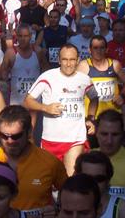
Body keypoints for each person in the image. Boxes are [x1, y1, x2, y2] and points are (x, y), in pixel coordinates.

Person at [0, 105, 67, 215]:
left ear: (29, 132)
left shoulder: (49, 162)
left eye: (15, 136)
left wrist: (57, 209)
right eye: (4, 136)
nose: (9, 141)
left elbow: (71, 195)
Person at [24, 44, 97, 175]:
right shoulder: (47, 77)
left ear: (78, 60)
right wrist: (45, 107)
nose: (68, 64)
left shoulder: (84, 79)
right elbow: (28, 101)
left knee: (71, 179)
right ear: (59, 60)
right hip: (51, 140)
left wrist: (91, 118)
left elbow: (94, 98)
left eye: (72, 60)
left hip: (76, 139)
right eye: (65, 59)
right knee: (51, 182)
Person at [74, 151, 125, 218]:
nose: (93, 183)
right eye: (87, 178)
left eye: (99, 178)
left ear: (108, 181)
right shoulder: (66, 207)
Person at [77, 36, 125, 118]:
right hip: (91, 114)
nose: (98, 51)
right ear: (89, 50)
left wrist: (121, 96)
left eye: (102, 48)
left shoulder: (115, 64)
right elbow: (75, 86)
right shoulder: (84, 66)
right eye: (95, 48)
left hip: (112, 113)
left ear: (106, 49)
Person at [0, 23, 48, 105]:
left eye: (26, 36)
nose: (23, 39)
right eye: (20, 36)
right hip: (16, 101)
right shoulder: (11, 53)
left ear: (30, 36)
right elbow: (2, 75)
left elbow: (46, 71)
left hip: (34, 101)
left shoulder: (38, 51)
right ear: (16, 36)